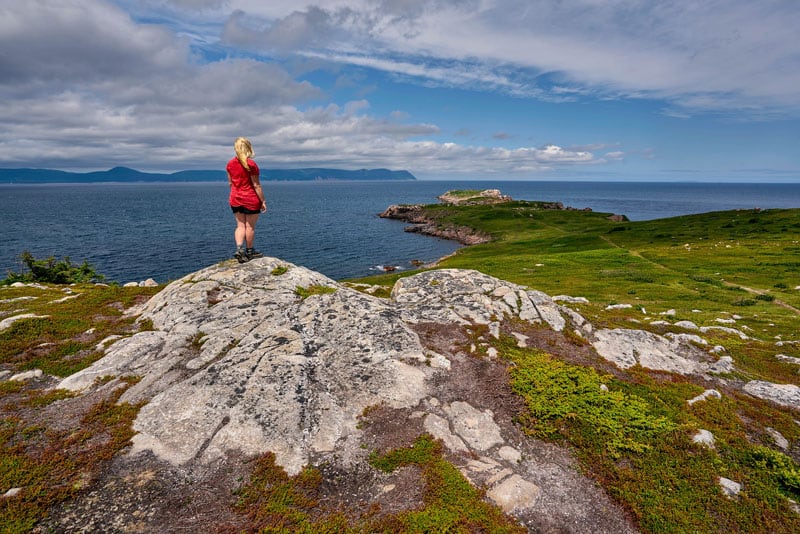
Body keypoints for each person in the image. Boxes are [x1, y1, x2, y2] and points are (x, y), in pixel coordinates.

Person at [227, 137, 267, 263]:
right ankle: (250, 251)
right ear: (248, 148)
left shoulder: (230, 164)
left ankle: (239, 249)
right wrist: (263, 201)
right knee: (250, 227)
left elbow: (230, 183)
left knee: (240, 226)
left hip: (235, 198)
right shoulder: (251, 165)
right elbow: (256, 185)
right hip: (250, 199)